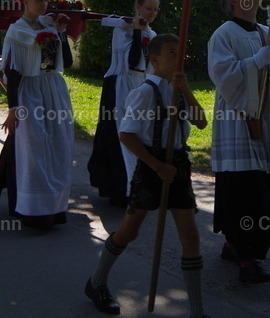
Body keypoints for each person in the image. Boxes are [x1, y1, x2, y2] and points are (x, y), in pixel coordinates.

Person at [84, 34, 209, 317]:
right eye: (171, 53)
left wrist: (187, 90)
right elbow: (126, 135)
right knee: (131, 230)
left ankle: (198, 311)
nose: (179, 58)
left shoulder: (179, 90)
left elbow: (201, 122)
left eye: (181, 53)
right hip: (152, 165)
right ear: (154, 60)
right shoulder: (144, 92)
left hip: (178, 164)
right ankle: (97, 282)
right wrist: (157, 166)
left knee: (191, 236)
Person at [207, 0, 270, 283]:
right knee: (246, 190)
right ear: (234, 1)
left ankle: (234, 244)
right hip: (239, 122)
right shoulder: (224, 34)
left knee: (264, 185)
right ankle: (248, 259)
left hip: (268, 119)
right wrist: (253, 63)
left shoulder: (265, 32)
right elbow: (222, 75)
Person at [0, 0, 74, 228]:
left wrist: (60, 32)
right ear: (24, 2)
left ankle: (54, 206)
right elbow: (12, 71)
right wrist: (14, 108)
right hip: (31, 92)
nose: (44, 4)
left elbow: (66, 63)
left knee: (58, 146)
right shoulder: (17, 32)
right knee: (35, 148)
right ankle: (33, 209)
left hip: (53, 89)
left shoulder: (48, 26)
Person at [87, 0, 159, 206]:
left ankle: (138, 185)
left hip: (139, 87)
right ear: (138, 7)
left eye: (155, 9)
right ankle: (119, 188)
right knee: (118, 132)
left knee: (140, 132)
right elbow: (132, 59)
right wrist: (137, 31)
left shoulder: (153, 35)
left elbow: (150, 67)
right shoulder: (122, 29)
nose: (152, 13)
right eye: (148, 8)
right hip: (120, 85)